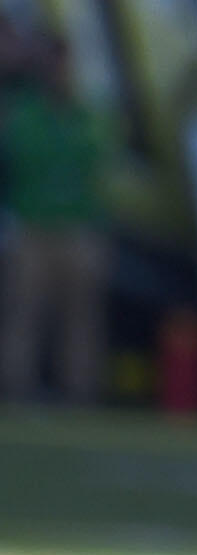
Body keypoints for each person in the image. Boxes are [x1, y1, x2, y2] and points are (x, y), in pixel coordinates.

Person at [0, 22, 111, 409]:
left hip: (77, 229)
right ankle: (16, 391)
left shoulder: (86, 113)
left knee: (80, 320)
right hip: (33, 227)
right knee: (23, 317)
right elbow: (27, 160)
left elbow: (96, 160)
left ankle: (79, 394)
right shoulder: (24, 113)